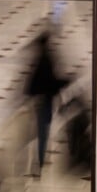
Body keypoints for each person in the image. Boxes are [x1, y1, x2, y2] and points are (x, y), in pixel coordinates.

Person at [24, 30, 68, 174]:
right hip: (46, 101)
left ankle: (38, 163)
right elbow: (52, 82)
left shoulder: (42, 60)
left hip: (41, 102)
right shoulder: (48, 59)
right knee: (42, 132)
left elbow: (36, 83)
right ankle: (40, 162)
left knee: (39, 132)